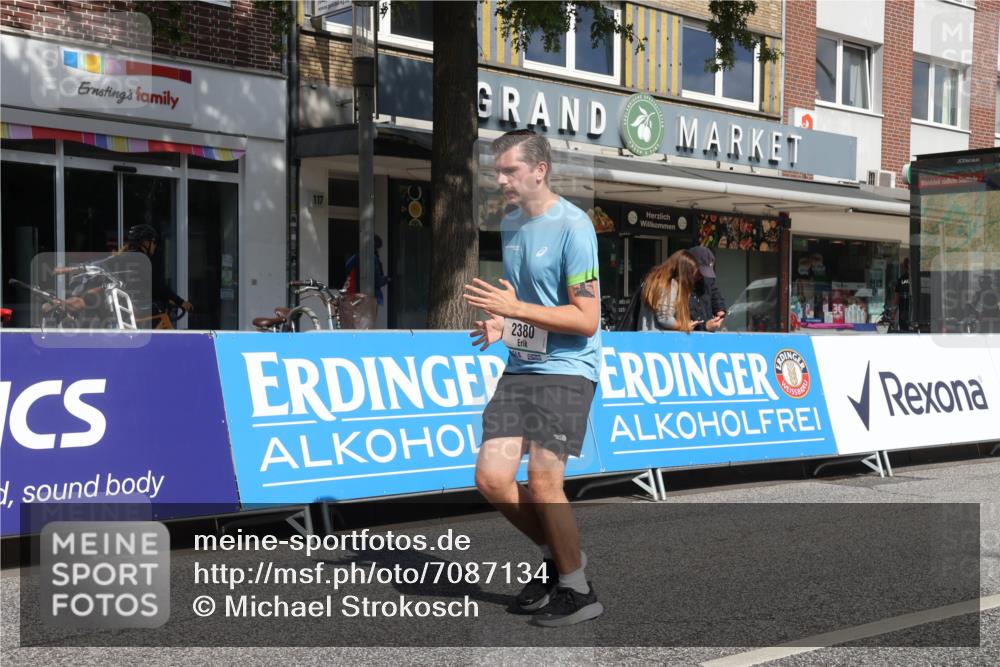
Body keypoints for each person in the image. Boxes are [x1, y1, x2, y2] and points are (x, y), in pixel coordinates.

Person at [463, 129, 603, 628]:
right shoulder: (512, 225)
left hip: (568, 369)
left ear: (539, 170)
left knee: (544, 480)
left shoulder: (575, 226)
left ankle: (578, 590)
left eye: (510, 171)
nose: (501, 179)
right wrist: (505, 324)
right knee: (492, 478)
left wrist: (515, 308)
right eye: (498, 171)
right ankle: (559, 559)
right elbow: (530, 311)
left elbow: (586, 319)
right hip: (523, 365)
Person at [638, 249, 702, 332]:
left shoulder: (653, 280)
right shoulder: (669, 285)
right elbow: (665, 318)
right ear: (684, 272)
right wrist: (685, 326)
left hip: (647, 336)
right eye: (691, 274)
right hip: (661, 339)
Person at [687, 245, 727, 331]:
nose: (702, 275)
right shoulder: (678, 285)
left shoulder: (707, 280)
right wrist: (705, 326)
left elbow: (716, 295)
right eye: (700, 271)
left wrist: (720, 311)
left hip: (707, 335)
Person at [344, 234, 389, 306]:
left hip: (357, 294)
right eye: (378, 248)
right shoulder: (374, 259)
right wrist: (385, 279)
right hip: (371, 296)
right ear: (375, 247)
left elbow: (347, 268)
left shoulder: (356, 256)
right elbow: (377, 281)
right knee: (369, 316)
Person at [893, 257, 911, 332]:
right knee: (904, 331)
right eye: (909, 264)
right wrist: (893, 312)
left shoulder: (918, 279)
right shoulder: (901, 279)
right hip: (904, 311)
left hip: (913, 313)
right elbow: (896, 298)